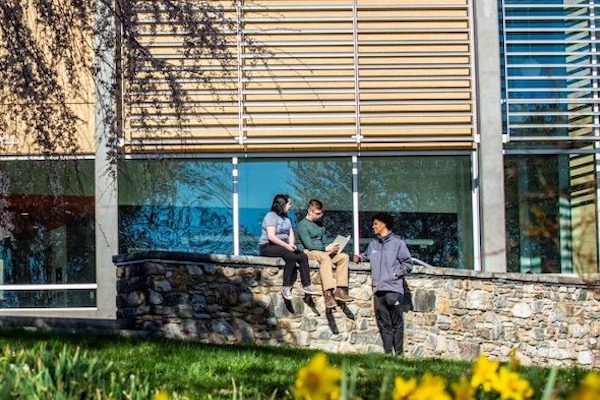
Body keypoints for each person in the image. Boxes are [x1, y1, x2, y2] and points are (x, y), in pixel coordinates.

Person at [353, 213, 412, 355]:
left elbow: (408, 264)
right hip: (378, 291)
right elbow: (366, 256)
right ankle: (388, 354)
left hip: (394, 290)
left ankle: (398, 353)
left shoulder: (398, 243)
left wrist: (395, 275)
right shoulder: (373, 244)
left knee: (397, 323)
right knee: (384, 324)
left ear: (384, 224)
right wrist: (359, 257)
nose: (373, 226)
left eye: (376, 224)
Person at [259, 194, 319, 300]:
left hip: (283, 246)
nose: (290, 206)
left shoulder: (286, 218)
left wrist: (291, 245)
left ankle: (307, 285)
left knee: (303, 256)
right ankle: (286, 287)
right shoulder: (271, 216)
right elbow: (271, 236)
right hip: (268, 246)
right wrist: (287, 246)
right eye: (289, 204)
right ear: (282, 204)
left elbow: (290, 233)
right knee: (290, 257)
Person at [296, 199, 353, 309]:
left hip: (323, 252)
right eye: (318, 213)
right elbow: (309, 245)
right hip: (309, 252)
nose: (320, 215)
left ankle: (340, 290)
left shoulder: (320, 225)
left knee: (344, 257)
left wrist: (333, 246)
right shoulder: (302, 225)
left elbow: (325, 241)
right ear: (309, 211)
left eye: (321, 213)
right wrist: (326, 248)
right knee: (325, 257)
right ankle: (328, 294)